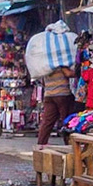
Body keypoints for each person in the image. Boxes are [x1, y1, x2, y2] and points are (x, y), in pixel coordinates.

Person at [35, 18, 79, 147]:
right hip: (63, 94)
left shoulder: (45, 64)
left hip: (49, 95)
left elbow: (43, 82)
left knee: (47, 122)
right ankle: (69, 145)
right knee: (67, 120)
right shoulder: (59, 60)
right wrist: (79, 71)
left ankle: (40, 145)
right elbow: (68, 74)